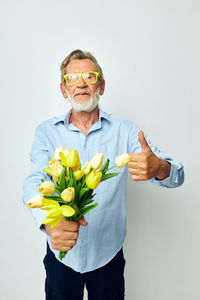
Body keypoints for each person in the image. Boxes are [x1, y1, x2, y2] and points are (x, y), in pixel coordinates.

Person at [23, 49, 184, 300]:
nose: (82, 83)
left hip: (108, 257)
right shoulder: (46, 132)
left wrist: (160, 168)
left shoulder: (127, 131)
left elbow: (175, 173)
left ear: (102, 85)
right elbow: (34, 182)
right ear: (64, 90)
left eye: (90, 76)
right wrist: (49, 222)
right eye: (72, 79)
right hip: (62, 257)